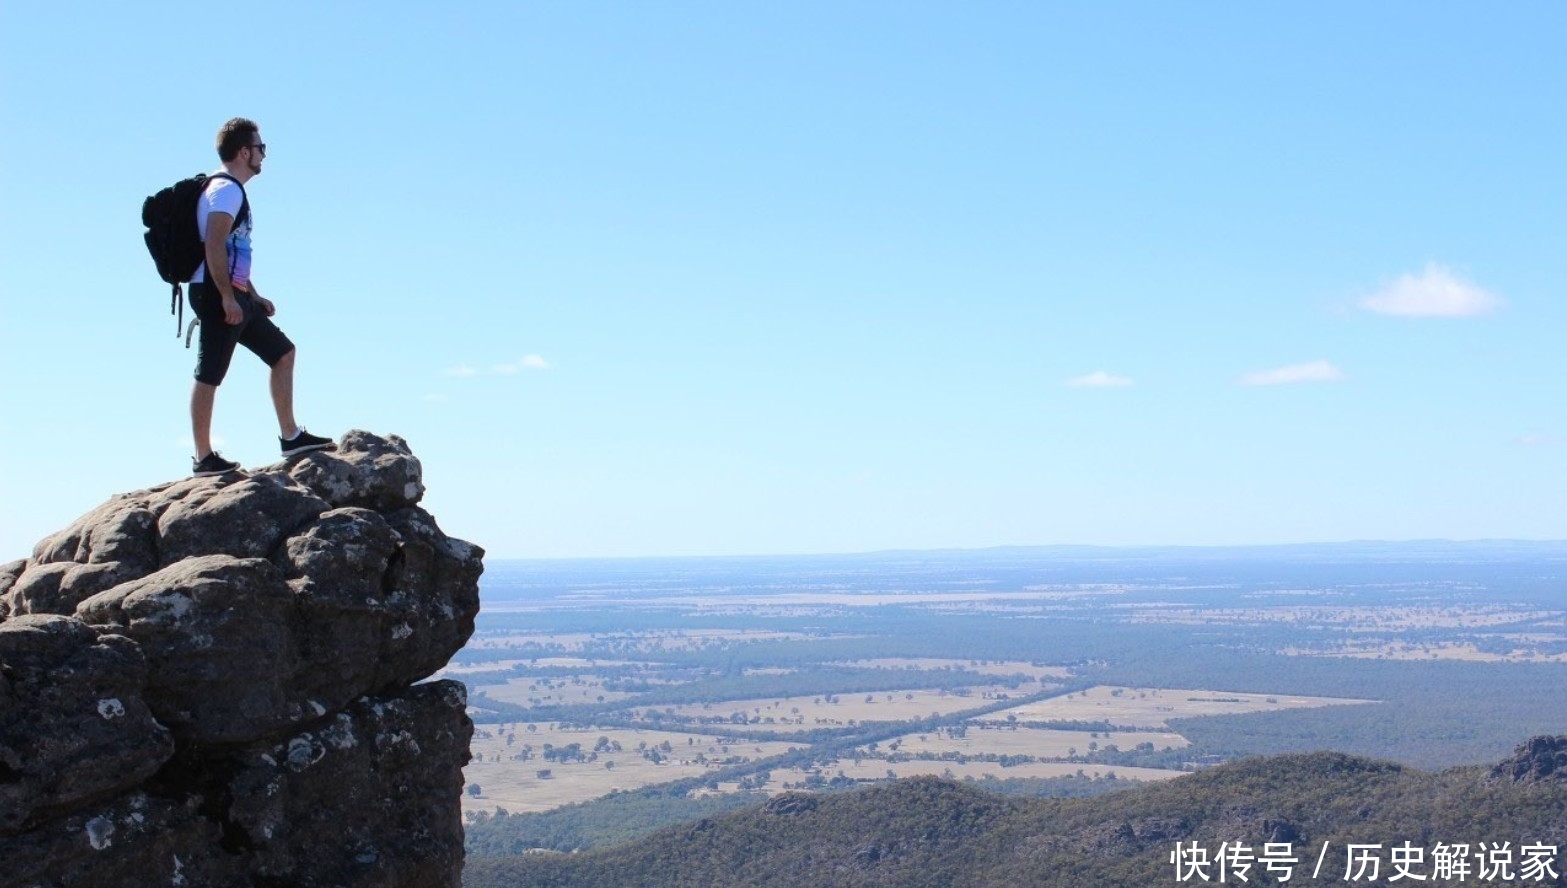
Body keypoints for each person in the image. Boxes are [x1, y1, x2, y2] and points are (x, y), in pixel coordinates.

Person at [188, 118, 333, 477]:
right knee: (210, 373)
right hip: (215, 293)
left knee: (282, 352)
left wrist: (252, 294)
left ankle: (291, 436)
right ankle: (203, 457)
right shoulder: (226, 191)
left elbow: (233, 249)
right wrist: (226, 297)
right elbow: (214, 244)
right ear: (243, 152)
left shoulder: (228, 189)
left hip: (234, 292)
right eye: (260, 148)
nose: (263, 155)